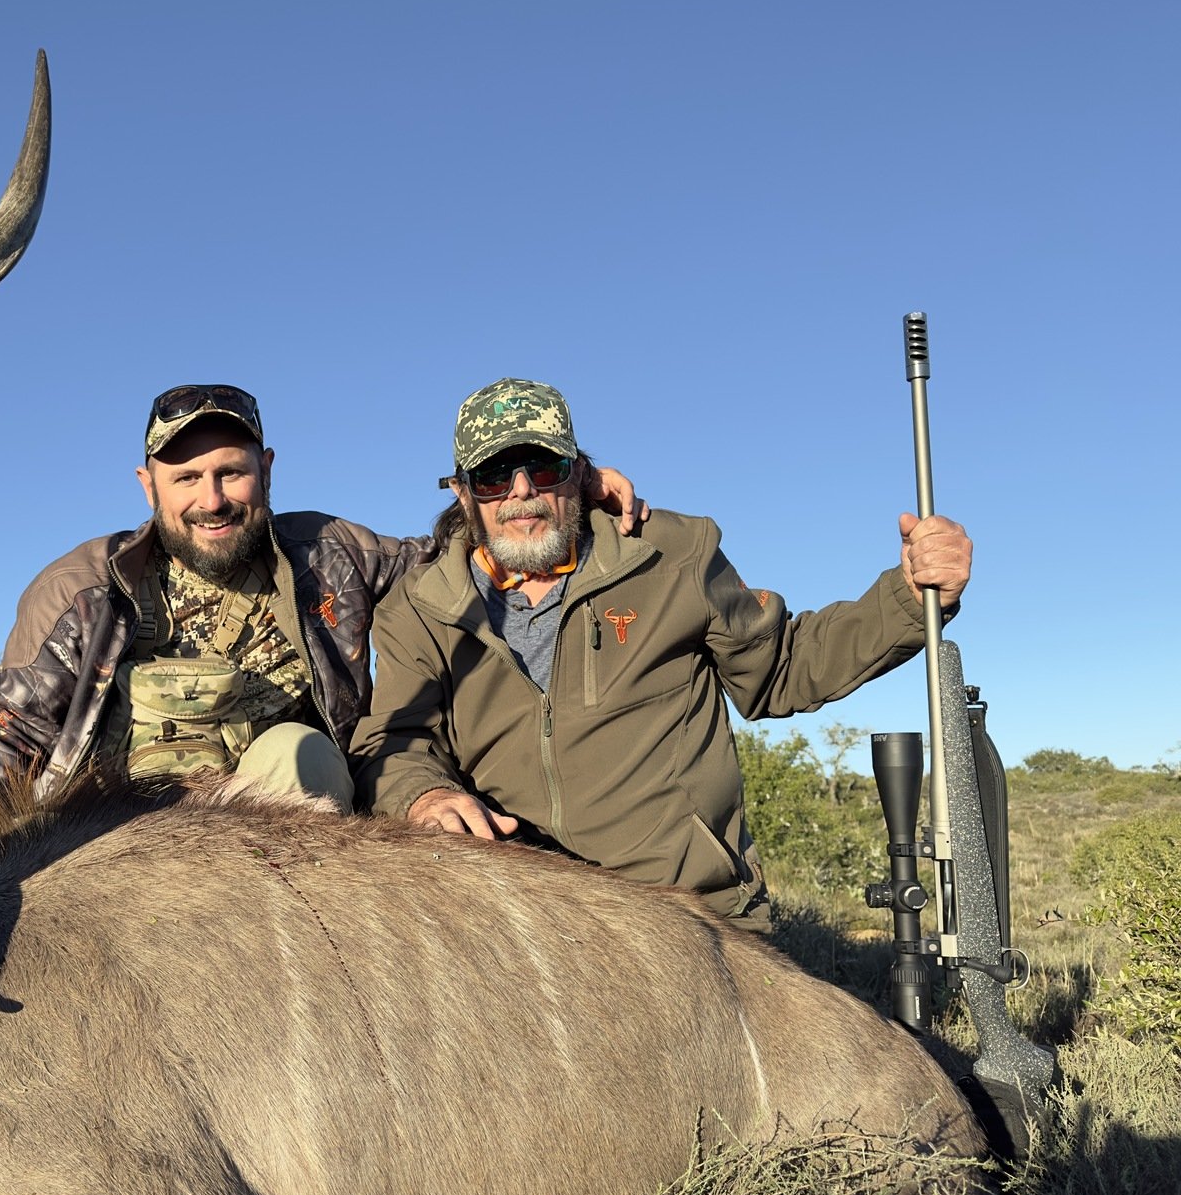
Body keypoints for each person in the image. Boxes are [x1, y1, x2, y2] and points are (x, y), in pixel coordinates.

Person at [0, 382, 644, 894]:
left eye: (232, 472)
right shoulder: (84, 589)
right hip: (117, 851)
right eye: (188, 477)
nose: (212, 499)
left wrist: (557, 488)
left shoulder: (336, 554)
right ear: (147, 486)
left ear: (266, 471)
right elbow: (0, 725)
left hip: (292, 861)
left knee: (302, 754)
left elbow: (453, 553)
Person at [351, 377, 973, 928]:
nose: (521, 493)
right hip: (527, 919)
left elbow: (781, 666)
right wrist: (424, 798)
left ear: (580, 474)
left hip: (691, 911)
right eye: (492, 476)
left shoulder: (674, 553)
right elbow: (395, 742)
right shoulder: (417, 609)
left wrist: (906, 595)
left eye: (543, 468)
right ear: (463, 495)